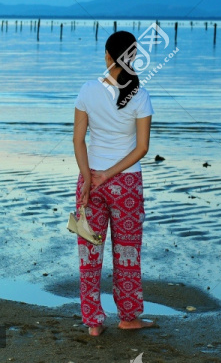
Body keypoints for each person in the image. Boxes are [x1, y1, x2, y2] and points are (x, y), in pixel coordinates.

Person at [73, 30, 156, 336]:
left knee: (89, 255)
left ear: (107, 56)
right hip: (126, 184)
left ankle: (94, 323)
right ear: (133, 58)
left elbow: (78, 140)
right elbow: (142, 148)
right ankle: (129, 317)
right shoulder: (141, 96)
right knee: (127, 253)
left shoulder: (87, 90)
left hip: (89, 179)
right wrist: (109, 175)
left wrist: (87, 178)